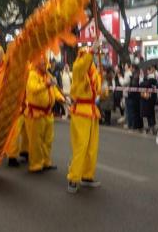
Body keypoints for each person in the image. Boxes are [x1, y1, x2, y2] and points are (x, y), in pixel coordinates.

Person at [67, 43, 102, 194]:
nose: (88, 59)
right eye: (85, 55)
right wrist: (91, 51)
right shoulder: (78, 70)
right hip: (81, 110)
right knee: (80, 146)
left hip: (92, 110)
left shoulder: (93, 72)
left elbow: (98, 89)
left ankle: (87, 175)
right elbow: (80, 67)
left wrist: (102, 89)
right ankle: (73, 178)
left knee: (92, 146)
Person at [24, 55, 64, 173]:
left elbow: (54, 90)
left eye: (45, 63)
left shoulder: (48, 75)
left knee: (48, 140)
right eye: (42, 63)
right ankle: (36, 164)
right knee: (36, 140)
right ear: (36, 64)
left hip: (48, 113)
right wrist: (45, 84)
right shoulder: (32, 75)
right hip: (36, 113)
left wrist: (60, 97)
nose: (45, 65)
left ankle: (46, 162)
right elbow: (32, 89)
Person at [140, 65, 158, 134]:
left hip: (150, 98)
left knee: (150, 113)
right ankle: (150, 127)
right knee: (148, 113)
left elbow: (144, 84)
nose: (148, 71)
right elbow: (142, 85)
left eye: (149, 70)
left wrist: (142, 81)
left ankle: (152, 128)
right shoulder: (147, 78)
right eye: (148, 70)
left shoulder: (153, 78)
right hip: (146, 98)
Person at [126, 64, 142, 131]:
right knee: (137, 111)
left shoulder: (135, 75)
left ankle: (135, 126)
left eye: (131, 67)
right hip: (136, 95)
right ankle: (138, 126)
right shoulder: (136, 74)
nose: (130, 69)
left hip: (134, 96)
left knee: (135, 112)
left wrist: (129, 91)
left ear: (133, 68)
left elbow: (134, 85)